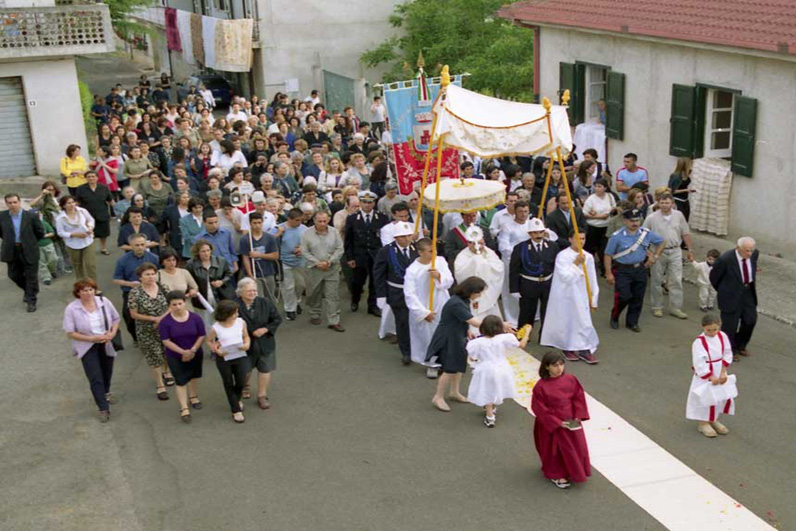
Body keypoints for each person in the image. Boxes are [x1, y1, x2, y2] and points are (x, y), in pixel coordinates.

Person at [427, 277, 514, 412]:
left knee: (459, 365)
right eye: (478, 292)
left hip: (458, 335)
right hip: (449, 337)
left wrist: (466, 330)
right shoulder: (456, 303)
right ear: (470, 291)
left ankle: (454, 392)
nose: (479, 295)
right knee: (450, 368)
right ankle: (438, 397)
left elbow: (463, 319)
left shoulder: (463, 300)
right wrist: (500, 324)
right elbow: (474, 321)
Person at [531, 351, 591, 489]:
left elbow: (578, 397)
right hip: (552, 423)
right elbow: (539, 408)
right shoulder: (540, 386)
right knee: (554, 450)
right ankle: (556, 474)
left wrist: (577, 416)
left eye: (561, 364)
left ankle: (573, 471)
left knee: (576, 448)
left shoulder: (571, 379)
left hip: (570, 419)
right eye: (555, 365)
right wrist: (556, 422)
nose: (559, 369)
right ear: (546, 367)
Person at [63, 278, 121, 422]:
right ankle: (103, 408)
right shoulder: (72, 308)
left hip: (106, 342)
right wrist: (91, 339)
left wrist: (112, 334)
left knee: (107, 371)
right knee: (95, 377)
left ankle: (106, 392)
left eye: (91, 289)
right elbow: (70, 332)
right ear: (78, 293)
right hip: (87, 345)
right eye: (84, 290)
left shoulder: (103, 302)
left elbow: (115, 319)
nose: (88, 293)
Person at [541, 230, 600, 364]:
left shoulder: (588, 257)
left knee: (583, 321)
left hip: (582, 295)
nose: (581, 242)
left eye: (583, 238)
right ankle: (568, 347)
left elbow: (592, 278)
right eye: (578, 238)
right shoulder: (563, 256)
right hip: (566, 295)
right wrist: (576, 264)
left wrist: (593, 297)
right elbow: (565, 277)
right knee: (568, 321)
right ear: (570, 239)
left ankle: (585, 349)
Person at [604, 208, 664, 332]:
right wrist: (608, 273)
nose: (635, 223)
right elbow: (608, 255)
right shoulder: (617, 236)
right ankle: (615, 316)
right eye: (632, 220)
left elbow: (662, 242)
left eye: (637, 220)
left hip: (640, 269)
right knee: (624, 296)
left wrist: (655, 257)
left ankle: (632, 322)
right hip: (622, 270)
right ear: (625, 221)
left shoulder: (645, 233)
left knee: (638, 297)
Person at [467, 316, 529, 427]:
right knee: (497, 387)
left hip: (486, 369)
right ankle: (493, 407)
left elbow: (472, 358)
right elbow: (521, 345)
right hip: (502, 368)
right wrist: (527, 332)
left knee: (487, 391)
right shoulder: (505, 338)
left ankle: (490, 416)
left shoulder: (477, 343)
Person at [642, 192, 694, 320]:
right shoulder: (651, 218)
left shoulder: (679, 216)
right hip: (657, 252)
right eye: (662, 202)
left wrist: (690, 250)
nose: (665, 205)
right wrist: (648, 253)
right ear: (658, 203)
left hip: (675, 250)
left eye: (667, 202)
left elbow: (685, 233)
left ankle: (675, 308)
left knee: (676, 279)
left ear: (673, 203)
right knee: (656, 279)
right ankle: (657, 307)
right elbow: (643, 235)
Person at [509, 218, 563, 340]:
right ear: (529, 233)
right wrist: (514, 289)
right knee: (527, 312)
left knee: (548, 312)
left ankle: (545, 336)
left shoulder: (552, 246)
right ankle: (523, 335)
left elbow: (556, 266)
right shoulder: (520, 248)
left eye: (540, 232)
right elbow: (514, 269)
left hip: (547, 284)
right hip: (529, 284)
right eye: (534, 232)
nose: (538, 235)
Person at [403, 238, 454, 366]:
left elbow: (450, 280)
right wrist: (423, 313)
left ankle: (446, 359)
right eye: (430, 251)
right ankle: (432, 363)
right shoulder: (412, 270)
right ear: (420, 252)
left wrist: (439, 276)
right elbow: (409, 294)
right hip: (425, 306)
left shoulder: (440, 261)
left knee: (445, 333)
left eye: (435, 249)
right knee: (427, 336)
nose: (434, 253)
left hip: (441, 303)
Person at [374, 222, 418, 365]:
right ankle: (406, 351)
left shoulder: (416, 250)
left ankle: (417, 347)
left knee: (416, 321)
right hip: (397, 292)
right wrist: (381, 295)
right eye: (403, 237)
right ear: (396, 237)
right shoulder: (386, 251)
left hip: (416, 293)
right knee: (403, 322)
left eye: (408, 236)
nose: (406, 239)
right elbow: (379, 274)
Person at [128, 262, 175, 398]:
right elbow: (134, 314)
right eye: (147, 274)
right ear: (140, 277)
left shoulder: (163, 287)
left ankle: (167, 372)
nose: (150, 277)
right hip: (146, 330)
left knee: (166, 351)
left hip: (165, 326)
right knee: (154, 356)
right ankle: (160, 385)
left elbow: (172, 306)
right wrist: (152, 319)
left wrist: (160, 319)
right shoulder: (135, 292)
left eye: (153, 274)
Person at [158, 291, 206, 423]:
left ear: (185, 303)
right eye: (174, 304)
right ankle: (184, 407)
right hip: (175, 355)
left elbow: (201, 335)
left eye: (180, 303)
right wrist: (183, 352)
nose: (178, 307)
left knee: (194, 376)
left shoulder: (195, 318)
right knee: (180, 380)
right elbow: (166, 340)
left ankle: (194, 396)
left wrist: (193, 350)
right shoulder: (165, 322)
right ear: (169, 306)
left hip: (195, 352)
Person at [685, 314, 736, 438]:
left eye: (715, 329)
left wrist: (723, 371)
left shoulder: (722, 336)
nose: (712, 333)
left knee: (718, 396)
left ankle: (713, 418)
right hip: (706, 374)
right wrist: (710, 376)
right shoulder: (699, 342)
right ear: (703, 327)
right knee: (705, 397)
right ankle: (703, 423)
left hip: (719, 371)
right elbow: (698, 362)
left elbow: (727, 352)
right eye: (709, 330)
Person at [236, 277, 282, 409]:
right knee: (245, 370)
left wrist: (265, 329)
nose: (253, 293)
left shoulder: (265, 302)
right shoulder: (234, 305)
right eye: (249, 291)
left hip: (265, 342)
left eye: (254, 290)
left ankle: (262, 396)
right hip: (244, 345)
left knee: (265, 369)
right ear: (240, 292)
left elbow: (276, 319)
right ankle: (244, 387)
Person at [709, 237, 758, 360]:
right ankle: (729, 350)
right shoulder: (725, 259)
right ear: (738, 248)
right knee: (730, 325)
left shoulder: (754, 255)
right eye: (747, 251)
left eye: (751, 250)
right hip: (730, 295)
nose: (750, 253)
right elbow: (714, 278)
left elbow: (752, 266)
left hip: (747, 292)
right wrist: (724, 291)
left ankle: (740, 344)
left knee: (750, 320)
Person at [206, 300, 251, 424]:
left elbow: (246, 337)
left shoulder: (241, 322)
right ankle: (235, 410)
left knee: (241, 381)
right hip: (224, 357)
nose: (236, 315)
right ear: (225, 314)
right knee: (228, 382)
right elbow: (209, 341)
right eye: (233, 313)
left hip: (239, 354)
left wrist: (247, 344)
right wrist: (215, 350)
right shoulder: (216, 327)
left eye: (236, 312)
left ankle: (235, 399)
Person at [344, 190, 388, 315]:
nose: (367, 205)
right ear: (360, 203)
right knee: (357, 281)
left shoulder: (382, 218)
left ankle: (372, 306)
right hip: (359, 256)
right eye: (364, 202)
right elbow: (348, 240)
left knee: (375, 282)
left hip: (376, 255)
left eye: (370, 202)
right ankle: (355, 299)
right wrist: (350, 257)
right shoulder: (352, 218)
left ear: (374, 203)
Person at [300, 211, 345, 332]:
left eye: (325, 221)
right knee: (313, 293)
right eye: (319, 221)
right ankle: (315, 313)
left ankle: (334, 320)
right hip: (314, 269)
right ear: (314, 220)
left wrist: (330, 262)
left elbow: (339, 249)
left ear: (328, 220)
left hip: (332, 268)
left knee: (332, 295)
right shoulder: (306, 233)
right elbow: (304, 251)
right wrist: (317, 262)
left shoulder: (334, 232)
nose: (322, 223)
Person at [0, 193, 45, 312]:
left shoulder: (31, 216)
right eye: (9, 203)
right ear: (6, 204)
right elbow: (1, 233)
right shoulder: (2, 216)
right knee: (13, 275)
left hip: (29, 249)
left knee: (31, 277)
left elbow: (40, 232)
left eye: (15, 202)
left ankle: (31, 301)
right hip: (12, 249)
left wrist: (30, 242)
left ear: (19, 202)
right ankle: (28, 290)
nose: (12, 205)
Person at [453, 226, 504, 322]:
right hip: (473, 296)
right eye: (475, 243)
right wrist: (474, 262)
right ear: (469, 244)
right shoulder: (462, 256)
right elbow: (460, 273)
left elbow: (499, 267)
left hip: (488, 292)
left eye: (481, 243)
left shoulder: (489, 252)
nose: (479, 246)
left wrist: (484, 263)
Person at [186, 239, 236, 328]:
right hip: (202, 299)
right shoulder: (191, 264)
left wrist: (222, 282)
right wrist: (192, 289)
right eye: (203, 251)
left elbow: (229, 274)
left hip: (220, 296)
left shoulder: (220, 261)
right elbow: (188, 280)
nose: (206, 253)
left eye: (208, 250)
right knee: (206, 324)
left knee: (223, 322)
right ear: (198, 252)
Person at [275, 208, 308, 320]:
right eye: (297, 220)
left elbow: (309, 243)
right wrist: (278, 234)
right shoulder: (280, 228)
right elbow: (269, 240)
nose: (299, 223)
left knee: (301, 285)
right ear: (289, 219)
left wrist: (302, 248)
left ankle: (297, 301)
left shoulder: (304, 229)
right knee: (288, 287)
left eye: (301, 220)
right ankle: (290, 309)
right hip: (284, 262)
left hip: (300, 262)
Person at [55, 195, 97, 283]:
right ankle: (81, 287)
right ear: (63, 206)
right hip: (73, 245)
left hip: (87, 241)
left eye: (73, 202)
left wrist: (90, 228)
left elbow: (91, 220)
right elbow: (60, 232)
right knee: (78, 266)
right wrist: (74, 234)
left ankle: (94, 286)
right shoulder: (60, 218)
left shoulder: (82, 211)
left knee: (90, 265)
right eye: (68, 203)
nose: (72, 205)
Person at [239, 212, 279, 303]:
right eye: (254, 223)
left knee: (270, 297)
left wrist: (259, 255)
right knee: (257, 298)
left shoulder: (269, 238)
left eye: (259, 223)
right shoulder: (245, 239)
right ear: (250, 224)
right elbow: (245, 257)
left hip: (268, 272)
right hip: (254, 273)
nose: (257, 225)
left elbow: (275, 255)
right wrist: (250, 274)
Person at [582, 178, 615, 276]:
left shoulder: (610, 196)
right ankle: (588, 270)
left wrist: (609, 213)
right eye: (595, 186)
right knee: (590, 248)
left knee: (604, 249)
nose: (597, 188)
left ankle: (605, 269)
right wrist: (598, 216)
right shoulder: (591, 198)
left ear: (605, 188)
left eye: (599, 186)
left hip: (605, 227)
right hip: (593, 227)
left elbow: (614, 207)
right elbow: (584, 213)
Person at [75, 171, 114, 255]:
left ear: (97, 178)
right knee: (88, 233)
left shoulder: (104, 188)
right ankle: (89, 249)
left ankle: (103, 248)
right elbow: (77, 202)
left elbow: (111, 201)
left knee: (103, 234)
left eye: (93, 176)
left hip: (102, 214)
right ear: (86, 178)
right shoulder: (81, 189)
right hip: (87, 216)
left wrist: (117, 211)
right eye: (89, 176)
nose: (91, 178)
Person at [668, 157, 695, 221]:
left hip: (685, 200)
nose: (691, 165)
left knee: (685, 219)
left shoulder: (687, 173)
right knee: (679, 220)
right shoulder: (676, 176)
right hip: (677, 201)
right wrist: (686, 190)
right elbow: (671, 190)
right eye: (690, 164)